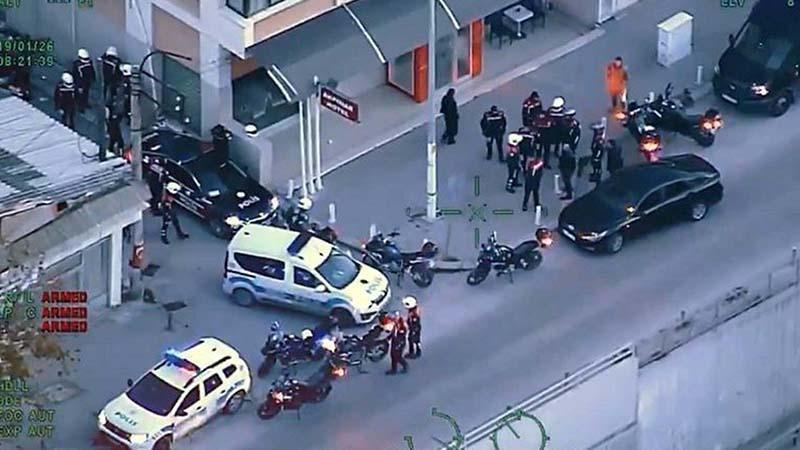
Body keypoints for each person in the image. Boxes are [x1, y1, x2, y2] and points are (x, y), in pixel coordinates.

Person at [71, 48, 95, 112]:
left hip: (85, 82)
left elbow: (92, 71)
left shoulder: (77, 64)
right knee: (80, 95)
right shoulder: (79, 64)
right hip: (81, 83)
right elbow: (76, 75)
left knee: (85, 93)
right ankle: (80, 107)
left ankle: (84, 104)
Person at [589, 122, 606, 187]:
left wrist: (597, 157)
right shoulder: (597, 138)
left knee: (597, 167)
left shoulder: (599, 141)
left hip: (597, 156)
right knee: (595, 166)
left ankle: (597, 177)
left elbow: (600, 150)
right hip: (595, 154)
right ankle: (595, 174)